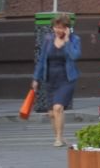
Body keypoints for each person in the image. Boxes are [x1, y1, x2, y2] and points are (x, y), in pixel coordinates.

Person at [31, 13, 82, 147]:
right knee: (52, 113)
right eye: (56, 27)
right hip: (50, 80)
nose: (58, 30)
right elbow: (42, 60)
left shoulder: (74, 39)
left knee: (58, 108)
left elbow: (75, 56)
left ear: (66, 28)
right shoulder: (48, 39)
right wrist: (36, 78)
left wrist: (67, 42)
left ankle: (58, 138)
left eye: (61, 27)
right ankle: (60, 136)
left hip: (66, 79)